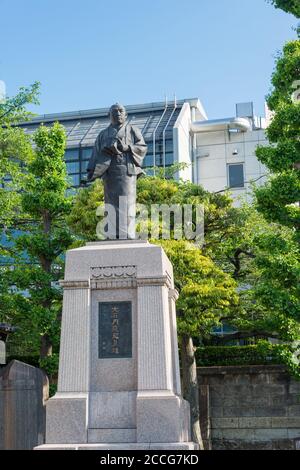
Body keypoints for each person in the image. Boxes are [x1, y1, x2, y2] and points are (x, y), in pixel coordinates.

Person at [87, 103, 147, 239]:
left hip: (127, 171)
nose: (118, 113)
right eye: (115, 111)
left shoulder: (132, 130)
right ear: (109, 115)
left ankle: (128, 233)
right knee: (110, 202)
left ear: (126, 115)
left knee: (127, 201)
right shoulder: (103, 134)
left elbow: (142, 147)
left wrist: (127, 148)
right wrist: (91, 172)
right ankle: (112, 234)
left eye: (121, 111)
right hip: (109, 173)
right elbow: (95, 154)